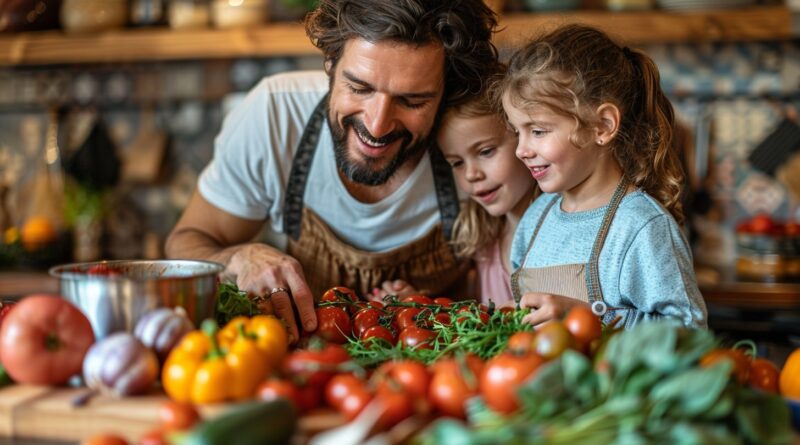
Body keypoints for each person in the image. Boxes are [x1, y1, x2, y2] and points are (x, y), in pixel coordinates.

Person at [164, 0, 499, 342]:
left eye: (412, 101)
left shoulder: (482, 141)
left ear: (448, 94)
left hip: (439, 374)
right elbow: (185, 243)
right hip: (308, 374)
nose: (377, 125)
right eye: (359, 88)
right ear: (329, 64)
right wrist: (238, 257)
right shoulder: (276, 115)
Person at [501, 24, 707, 329]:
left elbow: (689, 330)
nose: (521, 150)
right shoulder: (535, 219)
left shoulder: (641, 226)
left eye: (538, 131)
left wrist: (593, 318)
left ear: (603, 126)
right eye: (518, 132)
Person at [372, 70, 539, 307]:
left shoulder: (552, 234)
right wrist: (418, 304)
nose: (472, 174)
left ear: (526, 140)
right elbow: (476, 308)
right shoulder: (484, 236)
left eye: (486, 151)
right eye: (457, 163)